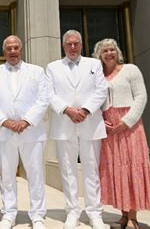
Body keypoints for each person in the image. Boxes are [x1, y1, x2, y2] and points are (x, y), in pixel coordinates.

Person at [0, 35, 49, 229]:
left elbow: (43, 100)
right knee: (7, 175)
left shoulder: (37, 71)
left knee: (35, 174)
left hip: (32, 132)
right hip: (4, 133)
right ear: (4, 51)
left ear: (21, 49)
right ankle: (9, 213)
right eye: (9, 48)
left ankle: (37, 215)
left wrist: (26, 121)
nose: (13, 51)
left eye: (16, 47)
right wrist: (5, 122)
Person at [93, 38, 150, 229]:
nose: (109, 53)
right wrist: (101, 119)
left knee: (131, 168)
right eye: (105, 51)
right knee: (116, 169)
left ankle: (132, 218)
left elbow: (141, 97)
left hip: (130, 127)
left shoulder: (131, 70)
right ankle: (123, 215)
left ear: (117, 52)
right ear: (99, 55)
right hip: (109, 129)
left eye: (112, 49)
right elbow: (96, 100)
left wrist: (126, 121)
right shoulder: (99, 75)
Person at [46, 30, 107, 229]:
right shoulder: (53, 67)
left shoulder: (94, 64)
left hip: (90, 123)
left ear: (81, 44)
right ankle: (72, 212)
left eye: (76, 43)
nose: (73, 47)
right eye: (69, 44)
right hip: (64, 124)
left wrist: (86, 110)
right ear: (63, 46)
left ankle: (94, 212)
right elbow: (49, 94)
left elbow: (101, 90)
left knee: (92, 169)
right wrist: (68, 110)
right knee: (67, 170)